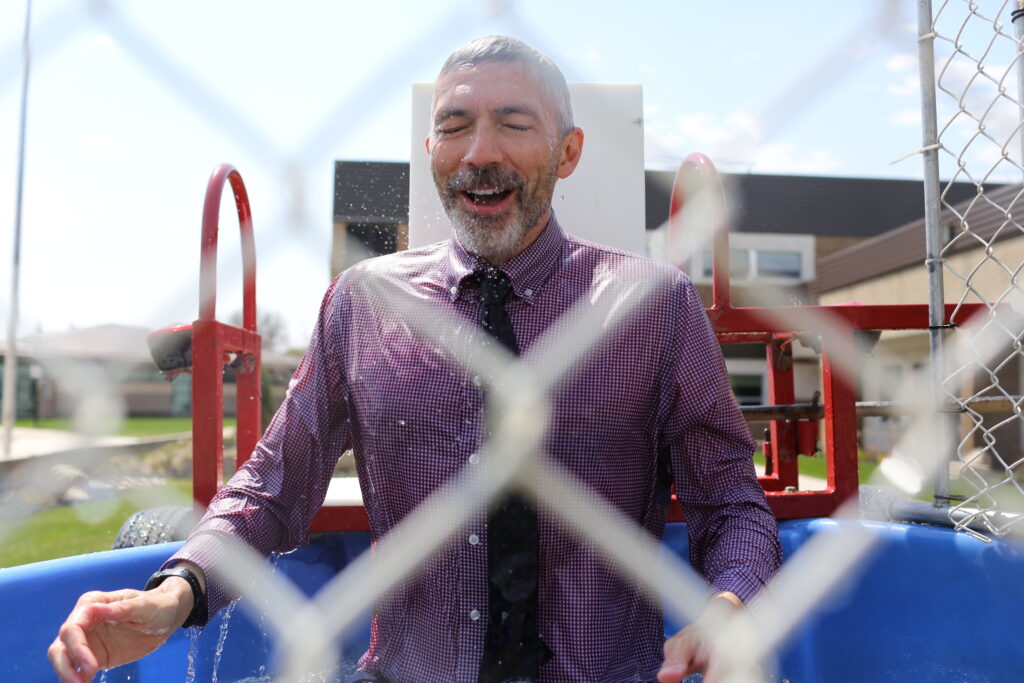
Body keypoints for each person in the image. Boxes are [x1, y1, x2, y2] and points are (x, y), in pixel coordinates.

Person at [49, 36, 782, 683]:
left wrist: (729, 606)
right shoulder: (362, 303)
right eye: (454, 127)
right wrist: (176, 591)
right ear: (431, 150)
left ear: (568, 152)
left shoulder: (655, 305)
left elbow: (730, 502)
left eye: (513, 123)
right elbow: (273, 487)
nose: (480, 152)